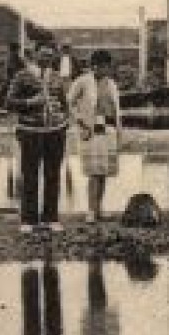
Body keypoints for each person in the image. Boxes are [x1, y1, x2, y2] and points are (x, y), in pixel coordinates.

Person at [3, 41, 70, 234]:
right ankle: (28, 220)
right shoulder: (22, 76)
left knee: (53, 175)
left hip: (55, 131)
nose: (46, 58)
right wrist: (30, 102)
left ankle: (51, 218)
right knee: (30, 175)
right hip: (30, 131)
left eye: (50, 55)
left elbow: (64, 103)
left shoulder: (57, 77)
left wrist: (63, 119)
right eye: (43, 54)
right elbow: (8, 102)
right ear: (34, 54)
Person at [68, 49, 123, 223]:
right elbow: (69, 102)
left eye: (108, 66)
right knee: (94, 171)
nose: (105, 69)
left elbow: (115, 109)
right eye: (102, 66)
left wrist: (119, 129)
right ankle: (91, 211)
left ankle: (100, 208)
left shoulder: (112, 84)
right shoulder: (83, 82)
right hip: (91, 129)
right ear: (94, 66)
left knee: (104, 171)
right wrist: (80, 121)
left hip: (109, 128)